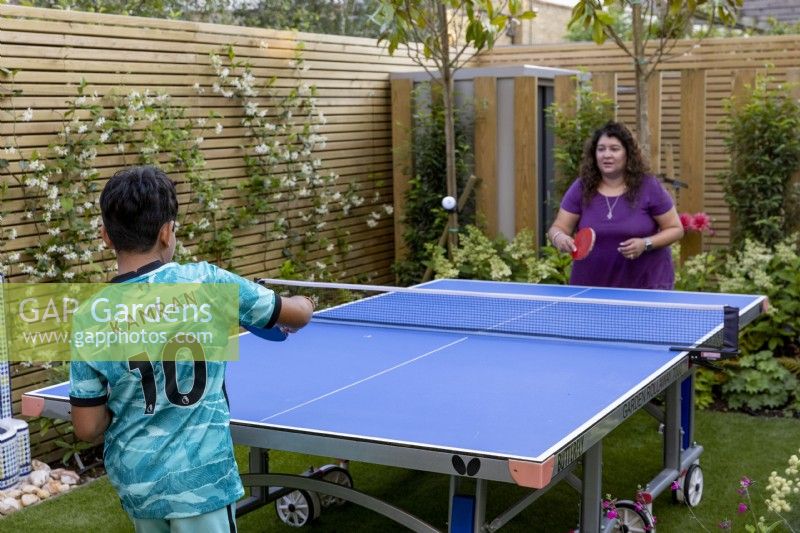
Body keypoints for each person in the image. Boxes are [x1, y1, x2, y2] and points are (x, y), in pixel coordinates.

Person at [69, 165, 314, 532]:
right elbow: (295, 316)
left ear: (105, 235)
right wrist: (304, 301)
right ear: (167, 232)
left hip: (138, 484)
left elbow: (87, 427)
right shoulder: (207, 282)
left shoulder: (89, 316)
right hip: (203, 480)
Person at [547, 121, 684, 289]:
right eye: (601, 149)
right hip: (591, 286)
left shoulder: (649, 186)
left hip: (645, 285)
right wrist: (560, 238)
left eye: (614, 149)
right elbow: (558, 227)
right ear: (594, 154)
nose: (607, 155)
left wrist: (645, 244)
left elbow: (676, 229)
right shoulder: (581, 187)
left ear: (628, 153)